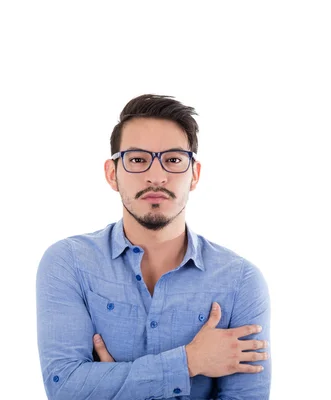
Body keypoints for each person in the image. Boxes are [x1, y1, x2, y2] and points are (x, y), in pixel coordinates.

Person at [36, 94, 271, 399]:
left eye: (173, 160)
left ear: (194, 175)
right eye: (137, 159)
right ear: (112, 174)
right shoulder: (69, 263)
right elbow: (65, 387)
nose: (156, 176)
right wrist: (191, 361)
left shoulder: (241, 281)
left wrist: (111, 384)